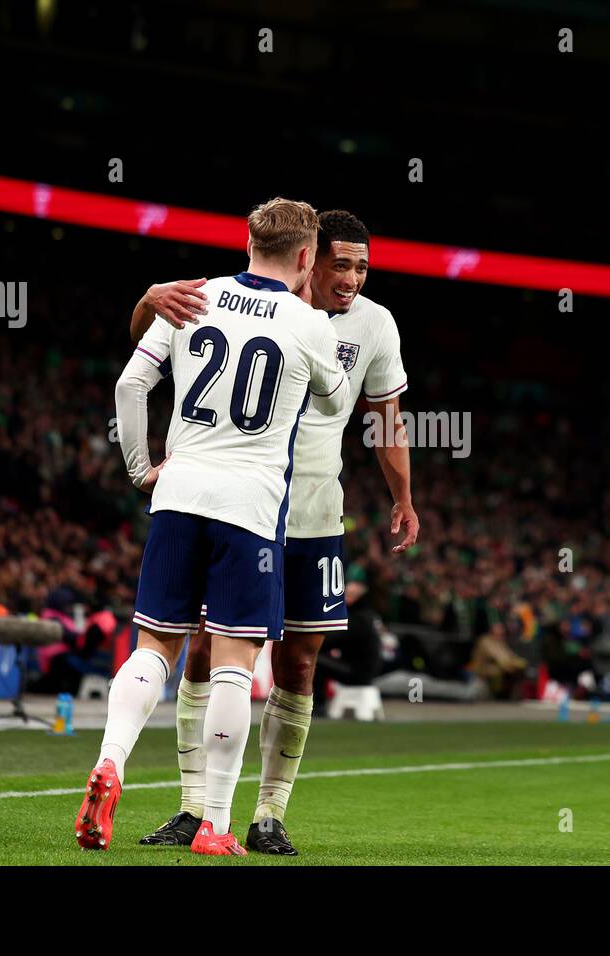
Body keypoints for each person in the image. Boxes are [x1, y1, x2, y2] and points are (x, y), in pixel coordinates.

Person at [133, 210, 419, 856]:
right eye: (339, 263)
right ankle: (194, 807)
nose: (351, 278)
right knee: (207, 649)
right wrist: (149, 299)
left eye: (361, 266)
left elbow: (386, 419)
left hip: (317, 514)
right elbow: (145, 350)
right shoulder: (247, 305)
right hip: (242, 508)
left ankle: (268, 812)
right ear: (308, 259)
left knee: (299, 659)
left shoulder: (376, 325)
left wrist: (403, 496)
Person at [74, 198, 350, 855]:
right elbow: (338, 399)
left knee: (155, 648)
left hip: (179, 492)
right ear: (308, 257)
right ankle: (218, 828)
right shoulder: (306, 323)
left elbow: (129, 384)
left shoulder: (190, 296)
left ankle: (110, 760)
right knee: (233, 663)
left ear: (248, 241)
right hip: (249, 508)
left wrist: (143, 469)